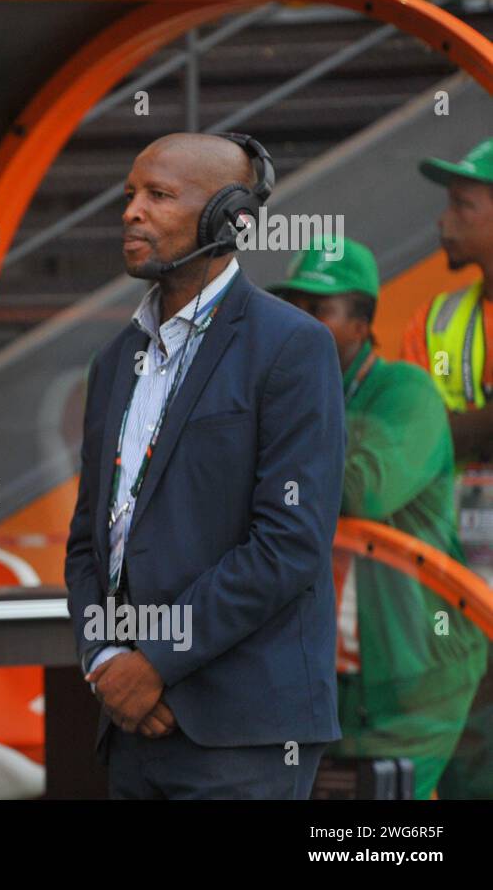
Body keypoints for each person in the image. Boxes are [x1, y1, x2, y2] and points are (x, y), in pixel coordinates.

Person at [65, 131, 343, 798]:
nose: (132, 210)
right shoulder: (113, 363)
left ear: (228, 217)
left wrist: (156, 661)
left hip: (245, 733)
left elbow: (288, 542)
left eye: (159, 195)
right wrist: (108, 661)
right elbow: (88, 542)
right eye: (130, 193)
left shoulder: (293, 348)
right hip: (133, 725)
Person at [270, 236, 486, 799]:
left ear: (362, 326)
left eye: (321, 309)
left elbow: (358, 491)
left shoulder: (404, 390)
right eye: (294, 305)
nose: (301, 320)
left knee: (382, 834)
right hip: (331, 674)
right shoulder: (289, 394)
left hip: (415, 670)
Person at [399, 136, 493, 799]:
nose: (444, 219)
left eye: (463, 204)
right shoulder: (436, 321)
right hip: (457, 588)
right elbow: (408, 440)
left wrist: (452, 433)